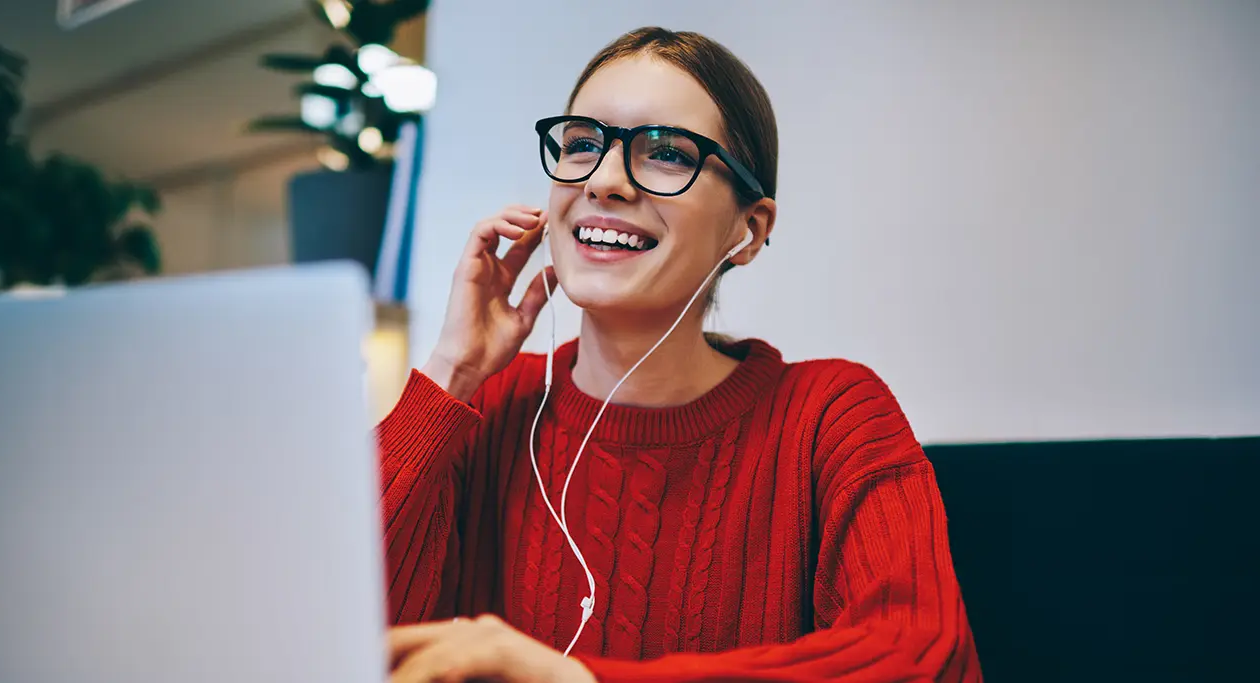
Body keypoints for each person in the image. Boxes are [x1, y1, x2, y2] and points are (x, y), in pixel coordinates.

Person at [378, 26, 981, 683]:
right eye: (583, 143)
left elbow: (922, 657)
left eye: (665, 153)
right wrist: (450, 373)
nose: (604, 180)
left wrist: (574, 679)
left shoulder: (829, 415)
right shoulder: (488, 406)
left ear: (748, 231)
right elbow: (332, 636)